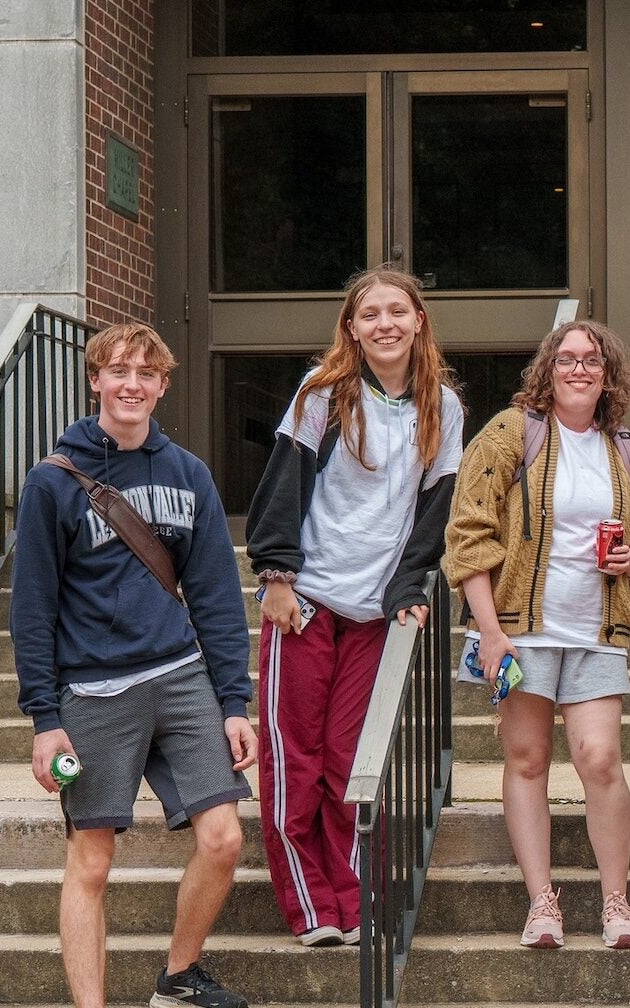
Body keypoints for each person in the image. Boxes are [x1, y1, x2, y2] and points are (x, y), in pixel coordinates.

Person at [12, 322, 253, 1008]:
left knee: (224, 839)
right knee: (93, 860)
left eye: (146, 374)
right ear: (95, 380)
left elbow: (213, 595)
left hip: (179, 678)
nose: (131, 384)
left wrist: (234, 702)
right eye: (118, 370)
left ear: (163, 386)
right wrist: (44, 719)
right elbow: (32, 608)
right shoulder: (52, 483)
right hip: (93, 690)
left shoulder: (187, 474)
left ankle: (178, 978)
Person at [244, 265, 463, 947]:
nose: (386, 324)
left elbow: (434, 513)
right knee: (294, 757)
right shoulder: (325, 395)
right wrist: (277, 576)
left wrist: (408, 591)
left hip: (375, 613)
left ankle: (355, 899)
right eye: (370, 315)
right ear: (352, 328)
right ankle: (311, 907)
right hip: (306, 602)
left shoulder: (444, 407)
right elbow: (282, 485)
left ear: (419, 321)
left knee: (350, 761)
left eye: (398, 311)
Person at [444, 319, 630, 950]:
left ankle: (616, 903)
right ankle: (543, 902)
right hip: (519, 629)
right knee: (528, 758)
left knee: (599, 759)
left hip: (597, 629)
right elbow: (469, 536)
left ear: (608, 374)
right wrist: (488, 632)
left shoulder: (627, 449)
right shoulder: (513, 433)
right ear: (548, 369)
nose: (578, 368)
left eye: (591, 360)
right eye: (566, 358)